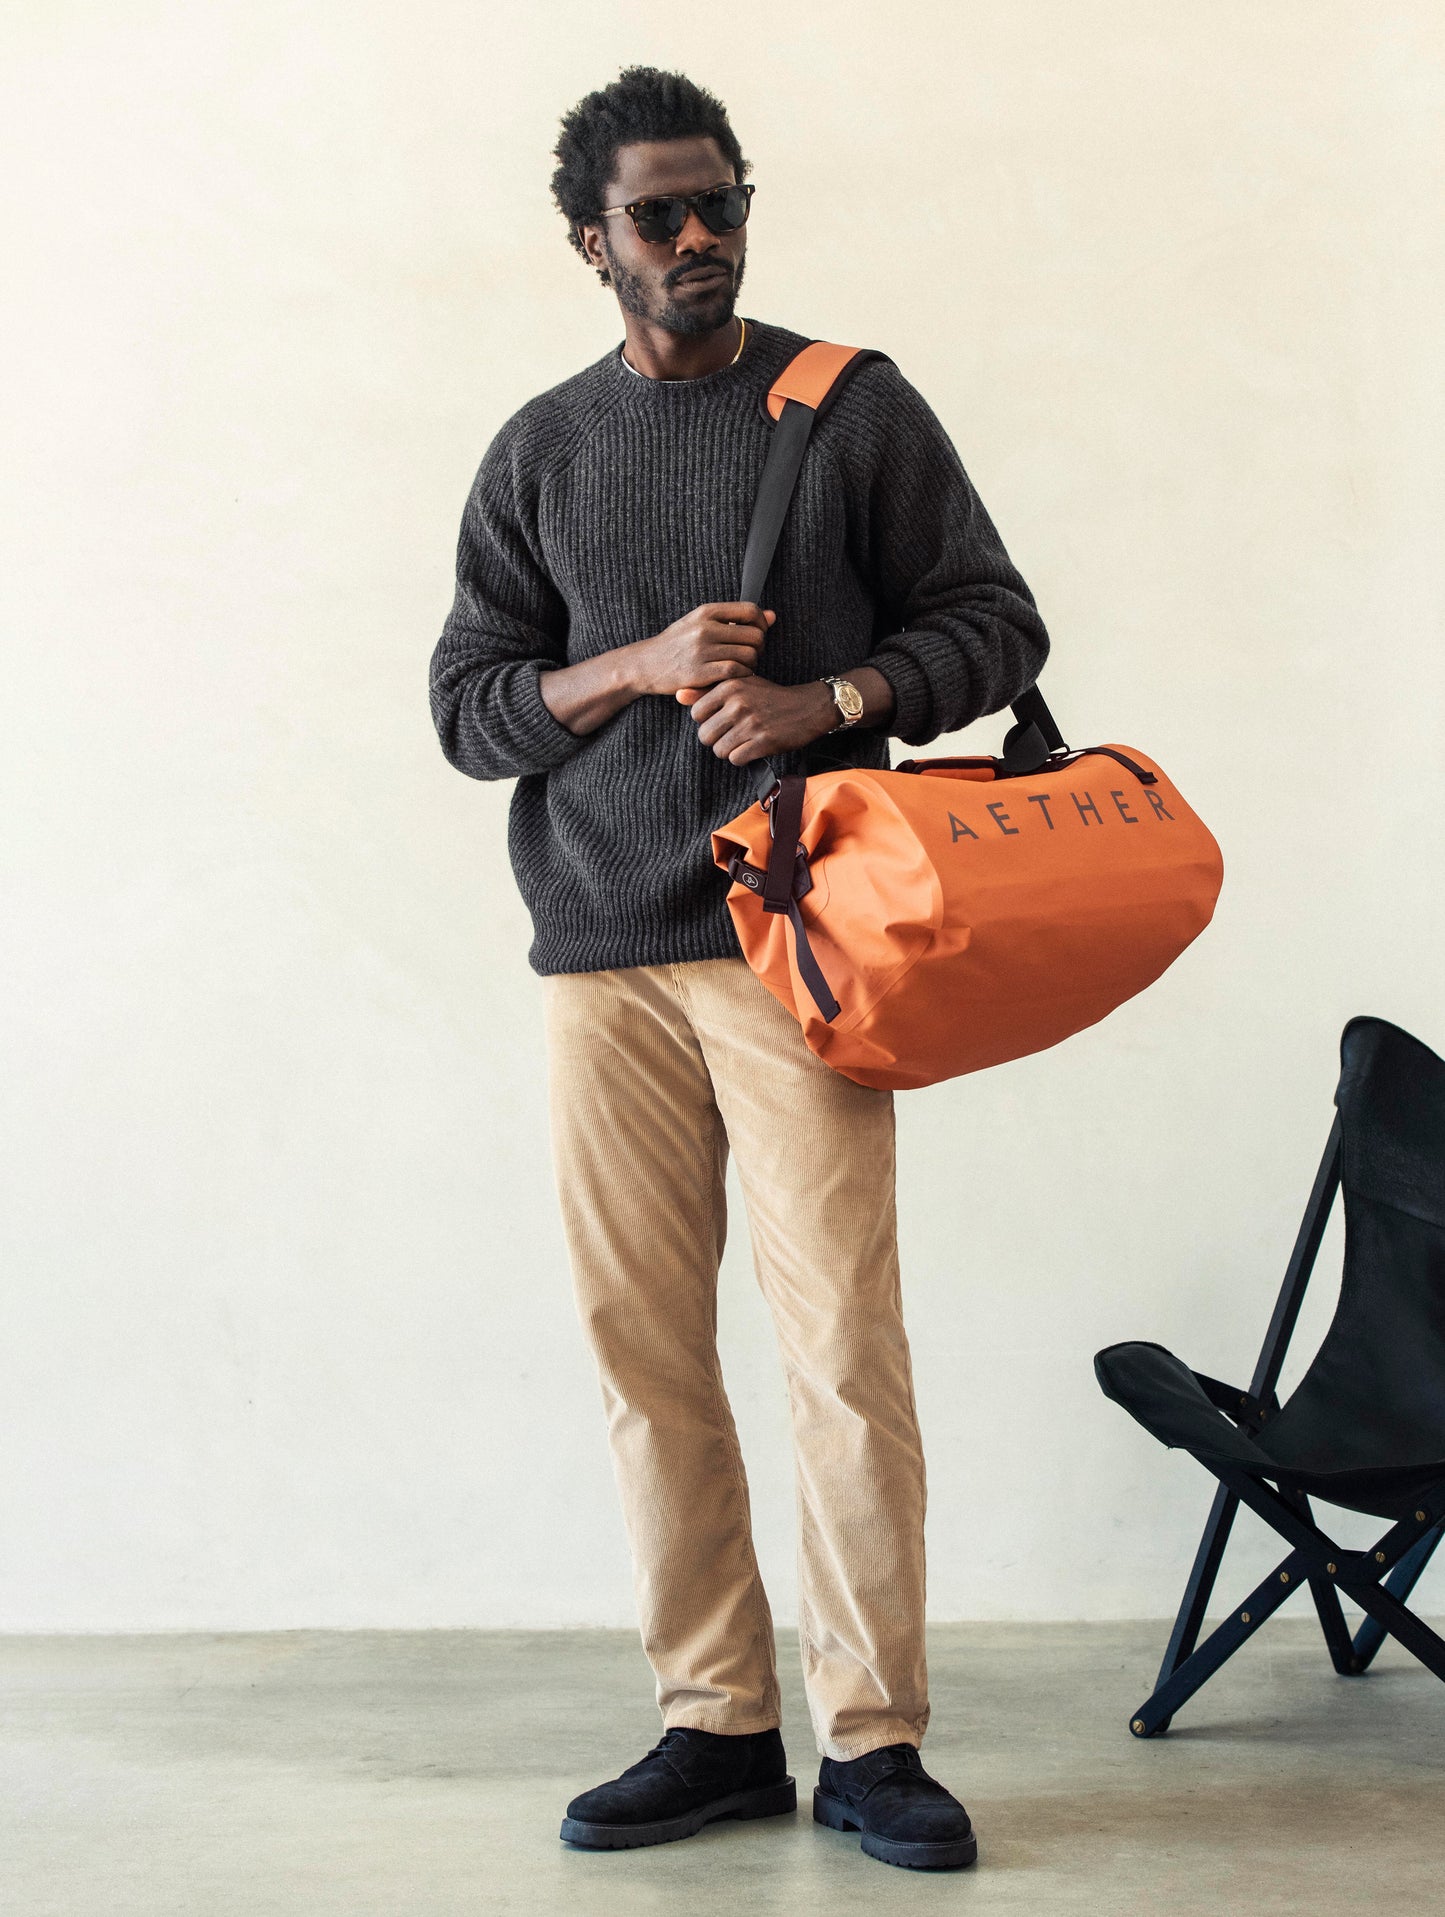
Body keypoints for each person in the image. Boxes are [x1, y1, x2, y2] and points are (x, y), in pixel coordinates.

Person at [428, 64, 1049, 1874]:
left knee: (840, 1345)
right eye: (658, 218)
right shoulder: (540, 447)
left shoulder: (845, 409)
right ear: (588, 246)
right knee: (644, 1351)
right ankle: (713, 1719)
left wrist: (829, 701)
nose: (700, 240)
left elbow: (995, 622)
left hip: (796, 941)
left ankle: (873, 1737)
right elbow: (469, 709)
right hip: (598, 955)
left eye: (721, 205)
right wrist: (627, 664)